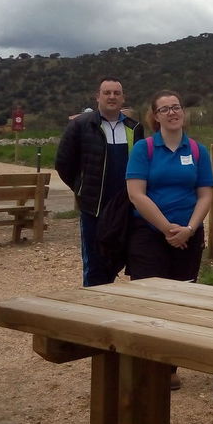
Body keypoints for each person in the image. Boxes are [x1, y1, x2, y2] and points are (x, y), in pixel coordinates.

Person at [126, 90, 213, 390]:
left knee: (180, 302)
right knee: (148, 301)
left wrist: (189, 228)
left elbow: (205, 195)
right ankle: (144, 363)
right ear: (155, 116)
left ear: (183, 112)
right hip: (149, 235)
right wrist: (167, 229)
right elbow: (136, 194)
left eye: (176, 107)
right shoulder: (144, 149)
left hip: (189, 236)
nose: (172, 113)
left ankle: (169, 367)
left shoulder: (198, 151)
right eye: (164, 109)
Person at [55, 78, 142, 286]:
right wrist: (82, 189)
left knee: (119, 259)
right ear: (97, 97)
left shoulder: (135, 128)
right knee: (95, 265)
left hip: (125, 208)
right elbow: (63, 163)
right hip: (94, 209)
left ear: (123, 98)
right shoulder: (81, 125)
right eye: (107, 92)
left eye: (116, 93)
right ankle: (92, 302)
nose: (112, 97)